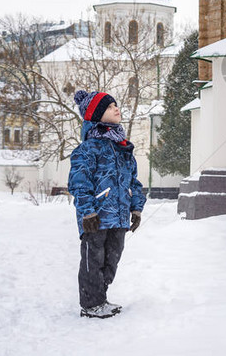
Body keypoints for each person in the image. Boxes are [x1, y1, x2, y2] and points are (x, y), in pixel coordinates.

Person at [69, 89, 146, 319]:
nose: (116, 108)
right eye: (110, 106)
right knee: (94, 260)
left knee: (112, 259)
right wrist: (87, 212)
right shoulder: (87, 149)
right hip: (96, 217)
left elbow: (133, 181)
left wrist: (136, 207)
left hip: (119, 216)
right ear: (97, 114)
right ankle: (91, 303)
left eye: (115, 104)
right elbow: (79, 183)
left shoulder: (123, 148)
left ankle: (101, 298)